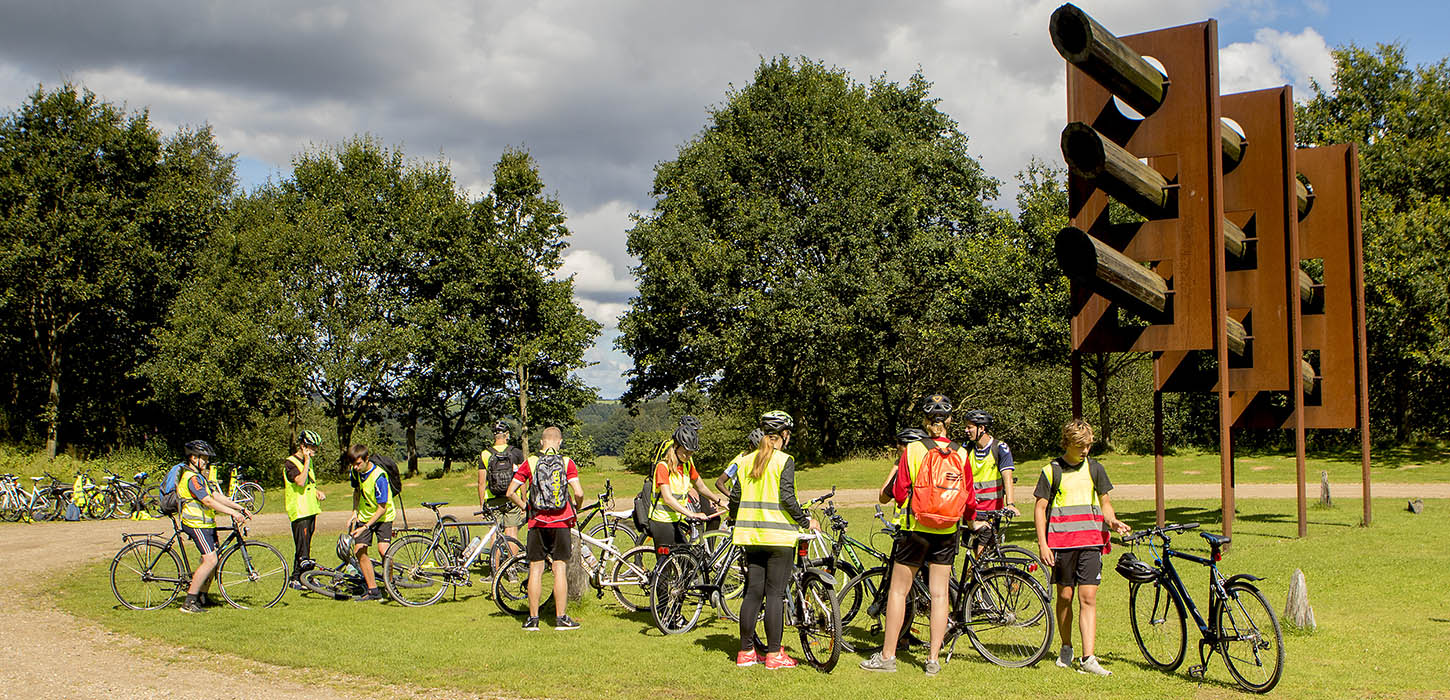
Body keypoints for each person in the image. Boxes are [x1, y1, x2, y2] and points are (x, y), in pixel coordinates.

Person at [860, 395, 974, 676]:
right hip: (948, 530)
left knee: (899, 590)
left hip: (916, 529)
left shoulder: (913, 450)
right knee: (939, 594)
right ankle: (933, 659)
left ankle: (888, 656)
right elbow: (969, 497)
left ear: (925, 422)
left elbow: (899, 493)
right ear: (950, 421)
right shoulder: (962, 453)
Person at [1033, 418, 1131, 676]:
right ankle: (1066, 647)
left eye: (1088, 445)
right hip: (1061, 545)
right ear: (1068, 443)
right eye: (1080, 446)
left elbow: (1105, 502)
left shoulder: (1096, 469)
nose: (1085, 450)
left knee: (1088, 598)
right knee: (1065, 597)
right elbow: (1040, 508)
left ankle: (1088, 658)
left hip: (1091, 543)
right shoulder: (1051, 470)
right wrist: (1043, 544)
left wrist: (1112, 521)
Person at [729, 410, 816, 670]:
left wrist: (734, 518)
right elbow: (787, 498)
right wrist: (805, 520)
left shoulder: (746, 461)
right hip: (778, 538)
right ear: (783, 436)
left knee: (753, 592)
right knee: (775, 594)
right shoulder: (783, 460)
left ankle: (746, 652)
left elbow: (734, 498)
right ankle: (774, 654)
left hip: (751, 537)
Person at [505, 426, 584, 631]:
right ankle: (561, 618)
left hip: (537, 522)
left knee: (536, 569)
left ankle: (533, 619)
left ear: (541, 442)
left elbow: (510, 491)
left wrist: (526, 507)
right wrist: (576, 508)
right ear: (560, 442)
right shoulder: (567, 462)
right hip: (561, 522)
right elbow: (579, 493)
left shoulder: (530, 462)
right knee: (559, 569)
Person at [175, 440, 251, 613]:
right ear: (194, 458)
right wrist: (232, 514)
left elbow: (215, 495)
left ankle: (202, 596)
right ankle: (189, 602)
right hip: (196, 524)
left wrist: (239, 507)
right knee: (211, 560)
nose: (207, 461)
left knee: (212, 561)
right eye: (204, 458)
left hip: (206, 524)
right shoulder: (191, 478)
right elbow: (207, 500)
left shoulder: (200, 477)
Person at [646, 424, 725, 548]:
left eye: (691, 453)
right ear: (676, 447)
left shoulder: (687, 466)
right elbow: (667, 498)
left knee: (686, 559)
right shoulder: (663, 467)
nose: (688, 456)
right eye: (685, 452)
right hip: (662, 522)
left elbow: (701, 487)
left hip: (675, 520)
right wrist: (691, 514)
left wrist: (720, 501)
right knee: (665, 564)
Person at [963, 410, 1016, 556]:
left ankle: (989, 577)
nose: (966, 430)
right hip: (971, 509)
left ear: (982, 428)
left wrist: (1010, 503)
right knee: (978, 552)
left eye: (970, 427)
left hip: (991, 511)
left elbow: (1008, 478)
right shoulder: (967, 448)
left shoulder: (999, 448)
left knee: (982, 552)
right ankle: (1003, 577)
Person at [347, 444, 394, 602]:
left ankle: (390, 585)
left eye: (358, 463)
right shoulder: (355, 472)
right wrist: (354, 512)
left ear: (367, 459)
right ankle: (373, 590)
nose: (355, 467)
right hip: (365, 515)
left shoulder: (379, 477)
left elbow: (382, 508)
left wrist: (365, 527)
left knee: (384, 551)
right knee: (359, 550)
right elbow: (357, 491)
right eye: (353, 464)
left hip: (383, 517)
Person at [284, 430, 327, 590]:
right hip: (299, 510)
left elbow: (307, 484)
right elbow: (300, 482)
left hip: (310, 509)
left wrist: (316, 492)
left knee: (305, 545)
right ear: (302, 446)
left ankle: (300, 578)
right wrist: (307, 461)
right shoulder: (291, 463)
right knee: (302, 549)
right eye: (311, 447)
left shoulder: (306, 462)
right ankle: (303, 578)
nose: (314, 450)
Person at [478, 420, 525, 558]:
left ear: (494, 436)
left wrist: (482, 504)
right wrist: (523, 500)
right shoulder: (516, 452)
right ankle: (512, 570)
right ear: (507, 434)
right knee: (512, 534)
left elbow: (481, 482)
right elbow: (521, 479)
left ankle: (495, 570)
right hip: (512, 498)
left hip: (492, 498)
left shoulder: (485, 454)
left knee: (494, 534)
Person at [713, 428, 764, 494]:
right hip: (738, 500)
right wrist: (732, 497)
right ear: (751, 446)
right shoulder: (738, 462)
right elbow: (719, 483)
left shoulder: (756, 460)